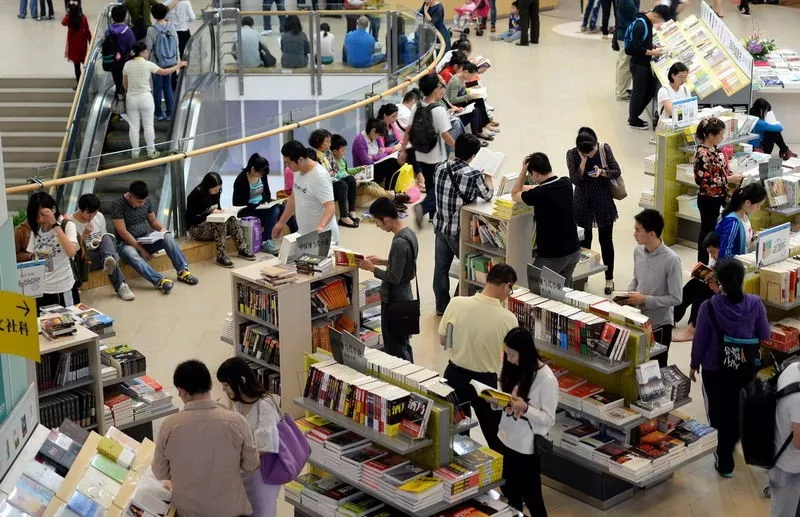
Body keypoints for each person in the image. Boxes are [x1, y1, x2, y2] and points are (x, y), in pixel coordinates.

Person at [690, 259, 770, 478]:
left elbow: (700, 340)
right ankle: (732, 441)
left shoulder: (708, 307)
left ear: (719, 282)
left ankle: (724, 458)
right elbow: (765, 334)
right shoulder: (755, 303)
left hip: (715, 368)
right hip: (745, 368)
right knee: (738, 408)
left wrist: (694, 364)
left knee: (718, 411)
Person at [153, 360, 259, 517]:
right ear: (209, 385)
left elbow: (159, 472)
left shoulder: (170, 426)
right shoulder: (236, 422)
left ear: (182, 391)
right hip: (231, 511)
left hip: (189, 512)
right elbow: (251, 465)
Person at [440, 264, 519, 453]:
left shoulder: (457, 303)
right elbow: (513, 356)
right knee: (496, 436)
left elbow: (443, 340)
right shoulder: (508, 319)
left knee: (457, 437)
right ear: (506, 286)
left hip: (454, 376)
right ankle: (501, 470)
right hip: (485, 383)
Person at [496, 327, 557, 516]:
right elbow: (508, 399)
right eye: (507, 354)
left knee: (533, 499)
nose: (509, 359)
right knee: (511, 493)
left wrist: (526, 409)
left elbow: (548, 419)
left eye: (512, 355)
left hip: (526, 448)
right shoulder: (514, 369)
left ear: (525, 352)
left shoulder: (547, 380)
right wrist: (496, 402)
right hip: (506, 438)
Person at [433, 134, 493, 315]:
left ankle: (441, 307)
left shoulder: (440, 167)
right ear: (473, 155)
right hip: (459, 231)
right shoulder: (473, 174)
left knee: (441, 268)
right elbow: (487, 195)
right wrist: (488, 176)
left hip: (440, 226)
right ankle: (457, 306)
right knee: (470, 268)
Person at [216, 357, 282, 517]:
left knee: (261, 512)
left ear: (241, 381)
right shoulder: (238, 403)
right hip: (242, 473)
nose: (224, 390)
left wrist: (239, 457)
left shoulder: (265, 405)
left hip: (261, 476)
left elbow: (267, 446)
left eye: (226, 385)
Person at [357, 198, 419, 360]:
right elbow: (406, 265)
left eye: (377, 223)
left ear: (386, 220)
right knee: (404, 343)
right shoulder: (410, 234)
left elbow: (394, 277)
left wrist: (371, 268)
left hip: (394, 300)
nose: (378, 226)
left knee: (395, 347)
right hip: (406, 297)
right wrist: (383, 261)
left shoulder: (399, 243)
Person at [111, 180, 199, 294]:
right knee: (131, 254)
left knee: (167, 236)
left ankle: (182, 271)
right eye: (139, 202)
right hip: (126, 244)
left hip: (145, 239)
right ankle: (159, 280)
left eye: (144, 201)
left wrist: (162, 230)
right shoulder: (118, 205)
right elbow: (123, 232)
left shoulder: (146, 201)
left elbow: (153, 221)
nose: (142, 204)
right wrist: (141, 249)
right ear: (130, 196)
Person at [620, 209, 682, 368]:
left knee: (657, 367)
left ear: (652, 234)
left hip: (659, 325)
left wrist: (645, 300)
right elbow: (636, 278)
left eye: (637, 230)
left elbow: (676, 298)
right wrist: (628, 294)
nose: (634, 234)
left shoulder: (672, 260)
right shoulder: (638, 251)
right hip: (638, 319)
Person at [512, 152, 582, 286]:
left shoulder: (539, 194)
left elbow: (514, 193)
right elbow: (542, 187)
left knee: (536, 289)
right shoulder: (566, 183)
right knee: (564, 291)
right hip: (574, 251)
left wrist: (523, 170)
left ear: (535, 173)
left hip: (552, 256)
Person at [566, 127, 620, 295]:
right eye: (586, 152)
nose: (590, 154)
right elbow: (575, 180)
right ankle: (583, 277)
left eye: (591, 150)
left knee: (606, 241)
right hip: (582, 202)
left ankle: (609, 278)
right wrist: (582, 162)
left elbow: (617, 171)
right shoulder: (572, 154)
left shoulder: (604, 148)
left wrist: (602, 172)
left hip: (603, 200)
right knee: (584, 242)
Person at [403, 74, 455, 227]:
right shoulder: (439, 110)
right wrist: (459, 148)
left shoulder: (417, 106)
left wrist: (403, 150)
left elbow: (408, 130)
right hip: (436, 156)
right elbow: (445, 135)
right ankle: (422, 207)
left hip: (420, 153)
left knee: (431, 184)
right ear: (435, 89)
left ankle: (434, 215)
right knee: (439, 187)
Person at [123, 41, 187, 158]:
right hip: (145, 98)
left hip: (131, 99)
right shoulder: (148, 64)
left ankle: (135, 152)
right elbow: (165, 72)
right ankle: (151, 151)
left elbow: (125, 85)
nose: (147, 53)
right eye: (146, 51)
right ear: (141, 52)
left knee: (134, 127)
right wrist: (179, 65)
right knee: (148, 126)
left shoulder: (127, 65)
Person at [69, 193, 135, 301]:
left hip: (101, 254)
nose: (92, 216)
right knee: (110, 257)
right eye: (89, 214)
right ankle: (119, 282)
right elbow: (72, 251)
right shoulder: (70, 223)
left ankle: (110, 262)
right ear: (81, 210)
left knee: (106, 238)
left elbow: (103, 237)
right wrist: (84, 235)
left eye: (95, 213)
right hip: (83, 260)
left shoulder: (99, 216)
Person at [694, 117, 742, 264]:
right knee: (706, 233)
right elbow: (703, 181)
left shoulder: (716, 150)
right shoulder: (702, 154)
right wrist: (729, 179)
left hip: (720, 195)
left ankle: (719, 259)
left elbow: (721, 170)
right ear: (710, 135)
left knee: (720, 227)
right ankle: (702, 265)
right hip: (708, 199)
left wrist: (731, 176)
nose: (722, 138)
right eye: (720, 135)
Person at [273, 140, 340, 244]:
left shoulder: (320, 176)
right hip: (305, 234)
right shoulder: (297, 171)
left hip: (323, 236)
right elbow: (294, 197)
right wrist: (282, 222)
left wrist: (321, 226)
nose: (287, 166)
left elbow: (330, 207)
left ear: (300, 160)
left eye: (289, 163)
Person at [186, 172, 257, 268]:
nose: (217, 191)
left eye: (219, 189)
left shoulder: (216, 192)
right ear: (207, 187)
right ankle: (221, 255)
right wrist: (210, 214)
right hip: (196, 228)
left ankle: (242, 248)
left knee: (231, 219)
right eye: (215, 189)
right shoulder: (194, 196)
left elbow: (216, 207)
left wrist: (221, 212)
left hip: (212, 224)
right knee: (220, 223)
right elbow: (193, 219)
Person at [25, 192, 80, 314]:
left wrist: (55, 224)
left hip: (63, 288)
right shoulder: (36, 230)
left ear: (53, 209)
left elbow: (71, 252)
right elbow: (32, 257)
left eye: (43, 214)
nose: (40, 219)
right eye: (36, 216)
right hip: (41, 290)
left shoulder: (67, 225)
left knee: (68, 322)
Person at [626, 5, 669, 130]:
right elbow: (637, 48)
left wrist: (653, 46)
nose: (659, 22)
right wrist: (654, 52)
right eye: (660, 20)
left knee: (650, 90)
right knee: (639, 92)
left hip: (643, 63)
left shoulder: (646, 21)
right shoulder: (641, 25)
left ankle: (635, 116)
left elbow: (643, 42)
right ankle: (633, 119)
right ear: (656, 15)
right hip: (638, 64)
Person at [232, 153, 284, 255]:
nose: (262, 176)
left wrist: (263, 202)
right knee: (275, 210)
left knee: (282, 206)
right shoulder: (241, 180)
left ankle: (294, 230)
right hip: (248, 211)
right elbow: (237, 203)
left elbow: (267, 194)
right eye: (260, 174)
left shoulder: (262, 175)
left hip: (260, 207)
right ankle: (265, 240)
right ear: (252, 169)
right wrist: (255, 205)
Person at [672, 231, 720, 343]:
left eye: (713, 252)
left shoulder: (729, 261)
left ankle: (692, 329)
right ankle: (673, 315)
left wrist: (717, 289)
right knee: (694, 283)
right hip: (715, 287)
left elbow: (732, 290)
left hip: (721, 292)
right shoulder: (718, 260)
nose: (712, 256)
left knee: (701, 288)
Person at [310, 129, 360, 228]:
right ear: (318, 142)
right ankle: (343, 216)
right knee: (342, 184)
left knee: (350, 179)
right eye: (327, 141)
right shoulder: (312, 155)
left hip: (331, 181)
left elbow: (335, 170)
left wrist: (342, 176)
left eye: (330, 141)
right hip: (322, 187)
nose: (329, 144)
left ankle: (351, 211)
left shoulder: (328, 153)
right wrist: (335, 177)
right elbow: (319, 177)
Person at [769, 360, 800, 517]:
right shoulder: (798, 399)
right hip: (790, 468)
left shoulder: (792, 368)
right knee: (785, 512)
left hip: (778, 450)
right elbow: (799, 442)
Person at [443, 61, 497, 141]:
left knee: (479, 99)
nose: (471, 78)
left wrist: (471, 90)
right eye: (471, 76)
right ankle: (479, 130)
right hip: (455, 105)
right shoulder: (456, 81)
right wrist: (468, 97)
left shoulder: (461, 78)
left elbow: (461, 91)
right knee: (475, 108)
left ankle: (484, 125)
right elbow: (452, 100)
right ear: (466, 72)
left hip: (459, 101)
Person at [715, 183, 768, 260]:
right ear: (747, 202)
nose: (759, 209)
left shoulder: (745, 215)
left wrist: (753, 239)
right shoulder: (732, 222)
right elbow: (725, 254)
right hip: (733, 265)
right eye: (758, 205)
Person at [146, 3, 178, 121]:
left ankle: (158, 113)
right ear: (165, 13)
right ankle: (170, 113)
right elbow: (176, 44)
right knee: (168, 87)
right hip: (170, 61)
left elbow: (149, 47)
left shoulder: (151, 30)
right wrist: (176, 61)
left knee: (157, 88)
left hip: (157, 63)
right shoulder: (171, 26)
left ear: (153, 15)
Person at [353, 118, 402, 191]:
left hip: (375, 165)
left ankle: (391, 191)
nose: (379, 137)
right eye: (379, 135)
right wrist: (379, 156)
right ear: (373, 131)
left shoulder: (376, 137)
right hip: (364, 171)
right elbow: (367, 162)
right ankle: (390, 192)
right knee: (392, 162)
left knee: (396, 163)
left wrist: (373, 157)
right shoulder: (359, 140)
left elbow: (384, 153)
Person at [105, 5, 136, 99]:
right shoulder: (127, 31)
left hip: (112, 61)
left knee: (118, 83)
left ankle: (118, 101)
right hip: (125, 62)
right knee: (127, 84)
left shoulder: (108, 30)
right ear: (124, 16)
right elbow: (133, 47)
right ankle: (126, 102)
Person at [614, 0, 640, 101]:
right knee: (625, 65)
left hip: (625, 32)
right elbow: (634, 13)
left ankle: (622, 89)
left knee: (624, 64)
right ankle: (621, 93)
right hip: (625, 33)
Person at [62, 0, 90, 86]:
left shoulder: (69, 18)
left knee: (77, 67)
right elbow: (87, 31)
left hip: (73, 47)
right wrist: (90, 40)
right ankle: (87, 83)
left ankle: (79, 85)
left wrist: (68, 14)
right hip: (82, 45)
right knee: (86, 63)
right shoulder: (83, 18)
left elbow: (63, 22)